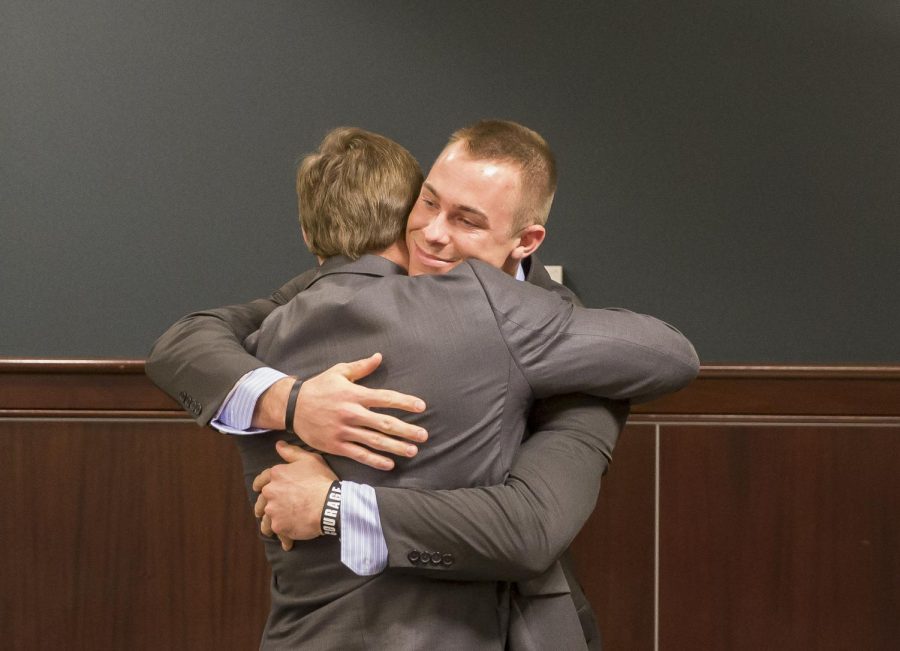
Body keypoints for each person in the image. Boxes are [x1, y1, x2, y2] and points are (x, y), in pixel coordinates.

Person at [146, 120, 699, 649]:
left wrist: (334, 505)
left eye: (467, 220)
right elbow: (185, 342)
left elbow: (532, 527)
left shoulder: (579, 344)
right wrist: (291, 403)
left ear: (525, 240)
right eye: (428, 202)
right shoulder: (328, 295)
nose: (432, 235)